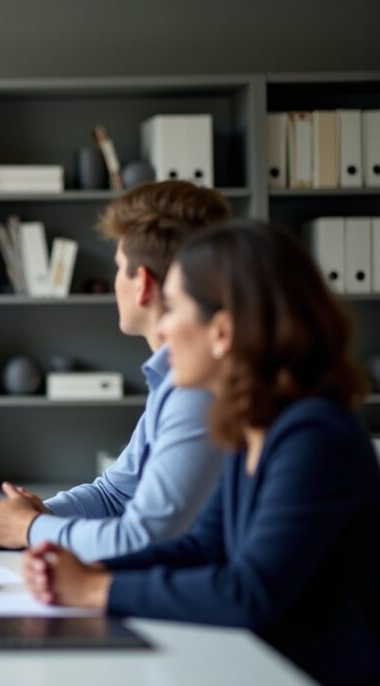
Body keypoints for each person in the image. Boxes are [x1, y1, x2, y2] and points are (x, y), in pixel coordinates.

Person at [23, 221, 380, 685]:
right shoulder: (252, 425)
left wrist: (96, 588)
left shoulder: (315, 436)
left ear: (223, 332)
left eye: (173, 308)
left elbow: (249, 592)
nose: (163, 327)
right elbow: (201, 547)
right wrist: (81, 564)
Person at [0, 181, 229, 559]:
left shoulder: (198, 393)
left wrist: (29, 528)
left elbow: (142, 537)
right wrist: (41, 515)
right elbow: (114, 494)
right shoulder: (171, 382)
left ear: (142, 283)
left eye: (118, 269)